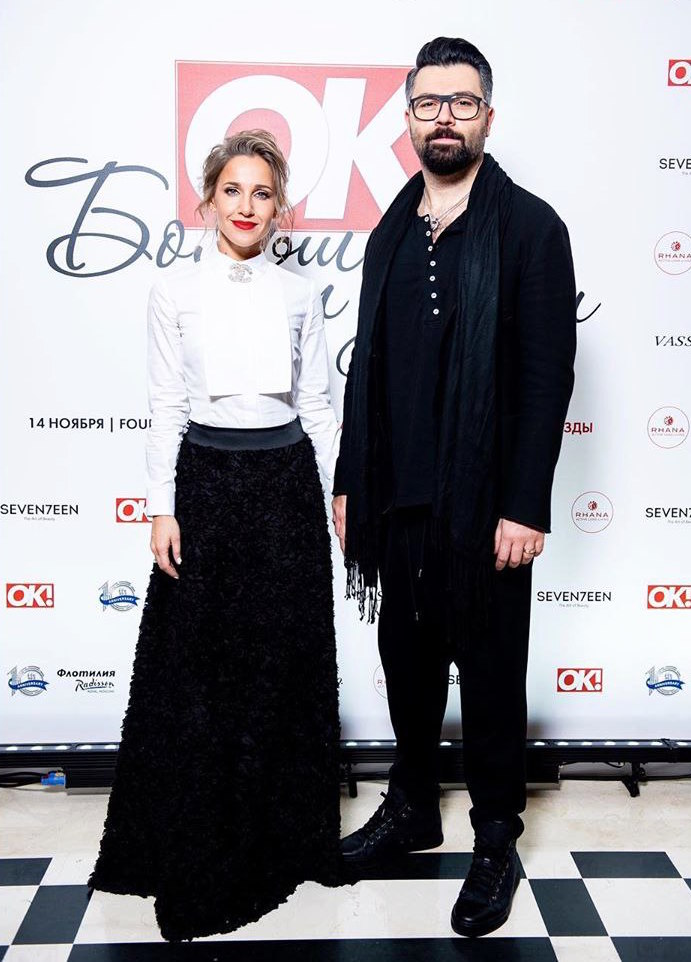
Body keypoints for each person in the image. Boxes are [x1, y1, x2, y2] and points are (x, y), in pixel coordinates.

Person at [332, 37, 577, 938]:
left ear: (486, 117)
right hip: (397, 494)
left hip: (485, 505)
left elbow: (545, 379)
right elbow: (366, 369)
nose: (444, 117)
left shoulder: (531, 229)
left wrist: (524, 504)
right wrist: (350, 480)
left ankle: (494, 837)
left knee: (491, 672)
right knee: (404, 659)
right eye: (429, 103)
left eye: (461, 103)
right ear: (406, 118)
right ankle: (410, 808)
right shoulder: (391, 230)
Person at [89, 130, 343, 942]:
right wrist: (161, 507)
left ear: (279, 206)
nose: (246, 206)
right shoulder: (172, 291)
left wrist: (339, 493)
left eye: (262, 193)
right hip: (204, 483)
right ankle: (201, 833)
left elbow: (317, 405)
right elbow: (165, 404)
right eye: (232, 189)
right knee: (200, 671)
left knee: (282, 664)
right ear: (208, 199)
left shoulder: (301, 294)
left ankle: (286, 834)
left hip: (284, 485)